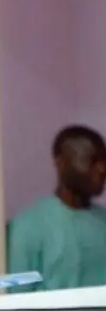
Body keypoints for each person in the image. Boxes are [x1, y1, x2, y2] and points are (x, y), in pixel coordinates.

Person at [6, 124, 106, 293]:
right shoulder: (27, 227)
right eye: (92, 160)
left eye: (104, 161)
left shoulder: (102, 222)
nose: (102, 169)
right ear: (61, 163)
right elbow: (17, 298)